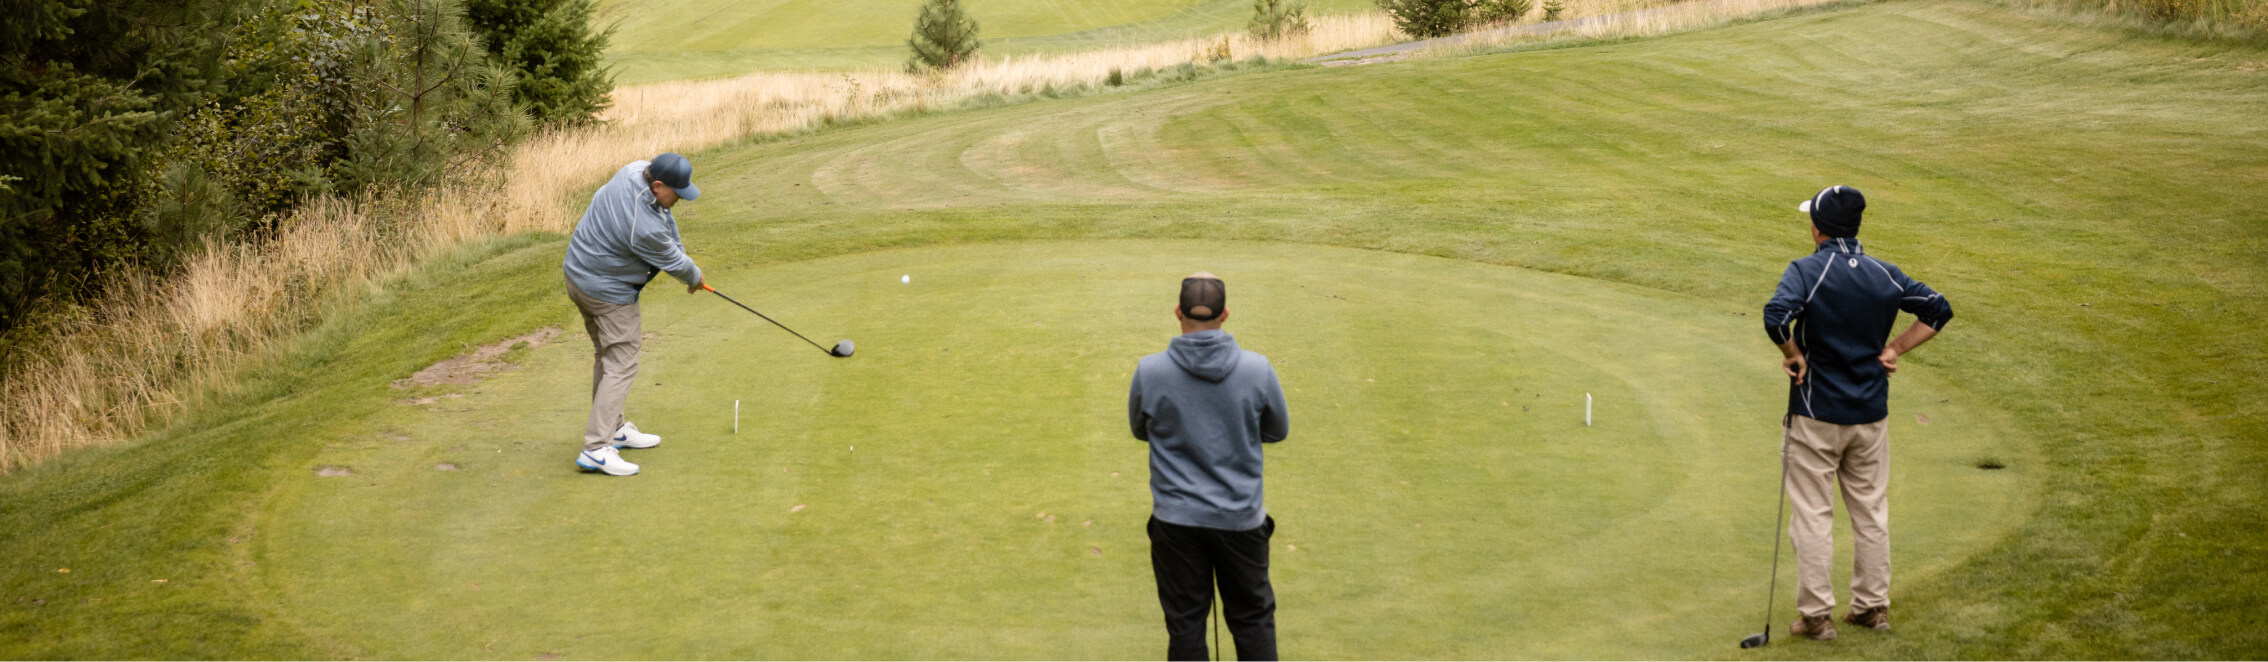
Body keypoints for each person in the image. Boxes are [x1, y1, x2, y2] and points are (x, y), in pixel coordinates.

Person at [1761, 185, 1953, 640]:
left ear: (1817, 228)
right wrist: (1896, 349)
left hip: (1815, 414)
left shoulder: (1808, 270)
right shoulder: (1883, 274)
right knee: (1870, 512)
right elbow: (1938, 309)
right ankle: (1871, 608)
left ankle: (1816, 616)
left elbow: (1776, 317)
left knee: (1813, 514)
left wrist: (1793, 355)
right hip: (1870, 414)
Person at [1128, 272, 1290, 661]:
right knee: (1252, 620)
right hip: (1241, 520)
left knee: (1185, 621)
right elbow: (1276, 431)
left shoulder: (1150, 371)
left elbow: (1140, 430)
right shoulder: (1257, 368)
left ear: (1178, 312)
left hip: (1176, 522)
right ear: (1226, 314)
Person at [561, 152, 706, 476]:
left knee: (607, 356)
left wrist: (684, 256)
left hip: (578, 274)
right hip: (604, 291)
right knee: (623, 360)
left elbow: (667, 224)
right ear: (657, 185)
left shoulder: (634, 169)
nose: (679, 200)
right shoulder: (643, 226)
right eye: (676, 193)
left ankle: (615, 429)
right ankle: (597, 448)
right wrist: (695, 278)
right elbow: (672, 259)